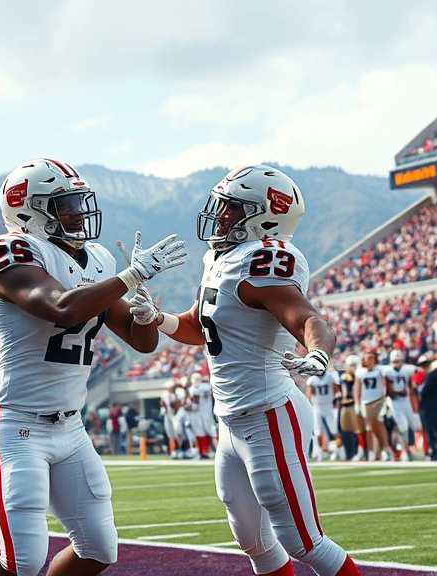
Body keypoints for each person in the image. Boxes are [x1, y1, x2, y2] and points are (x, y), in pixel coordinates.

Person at [0, 158, 183, 576]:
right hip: (18, 423)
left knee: (99, 549)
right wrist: (131, 276)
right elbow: (61, 309)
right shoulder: (10, 250)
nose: (78, 213)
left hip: (70, 425)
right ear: (30, 213)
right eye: (65, 205)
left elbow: (141, 342)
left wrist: (145, 311)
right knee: (21, 563)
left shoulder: (95, 259)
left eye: (78, 202)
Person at [133, 165, 360, 576]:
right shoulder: (222, 259)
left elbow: (309, 319)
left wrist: (319, 353)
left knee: (304, 543)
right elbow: (200, 326)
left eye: (232, 209)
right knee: (253, 542)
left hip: (269, 412)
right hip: (231, 421)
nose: (220, 215)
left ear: (263, 216)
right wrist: (158, 318)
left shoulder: (263, 261)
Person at [382, 350, 419, 461]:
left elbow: (411, 386)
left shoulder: (407, 369)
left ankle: (407, 449)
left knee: (413, 426)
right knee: (402, 426)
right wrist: (398, 393)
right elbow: (386, 391)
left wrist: (413, 399)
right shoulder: (387, 371)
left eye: (398, 360)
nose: (396, 363)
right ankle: (404, 450)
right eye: (395, 361)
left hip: (406, 401)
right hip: (394, 402)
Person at [355, 351, 389, 462]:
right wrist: (357, 403)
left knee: (380, 426)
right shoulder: (360, 372)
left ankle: (384, 449)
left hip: (378, 401)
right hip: (366, 402)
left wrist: (385, 399)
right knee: (370, 429)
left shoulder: (380, 370)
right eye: (366, 358)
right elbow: (357, 389)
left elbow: (385, 385)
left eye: (371, 358)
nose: (368, 360)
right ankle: (372, 451)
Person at [307, 363, 341, 461]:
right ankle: (321, 452)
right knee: (318, 430)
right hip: (318, 406)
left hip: (327, 405)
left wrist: (334, 399)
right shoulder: (313, 379)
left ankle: (337, 452)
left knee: (333, 430)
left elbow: (336, 389)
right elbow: (309, 393)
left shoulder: (329, 377)